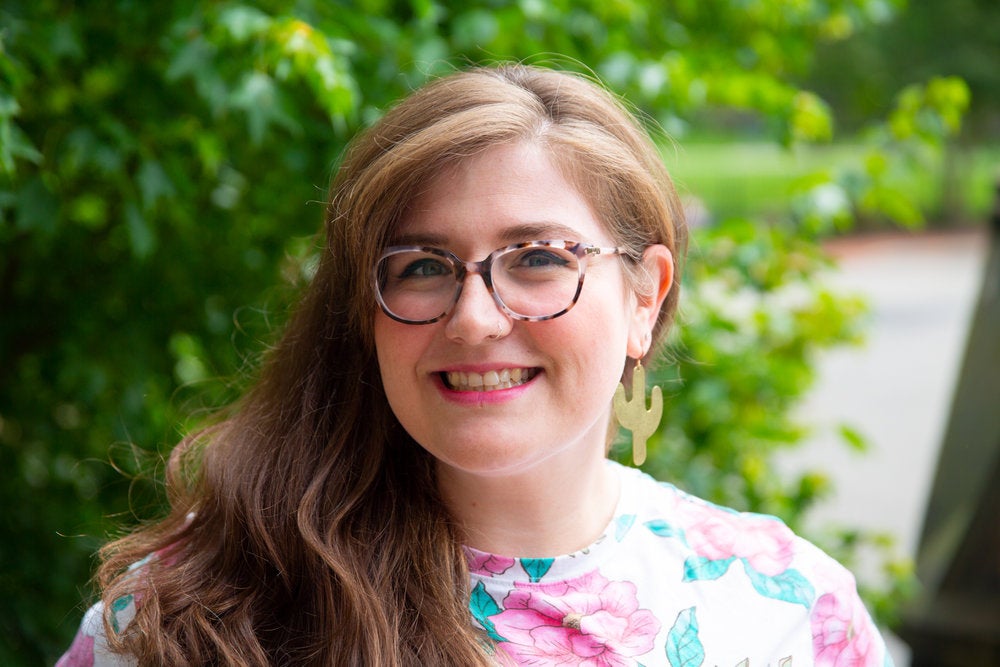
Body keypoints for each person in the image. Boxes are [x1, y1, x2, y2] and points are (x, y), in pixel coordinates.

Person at [58, 63, 892, 666]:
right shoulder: (198, 612)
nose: (475, 316)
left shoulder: (786, 608)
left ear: (645, 296)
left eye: (536, 257)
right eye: (420, 267)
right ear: (364, 312)